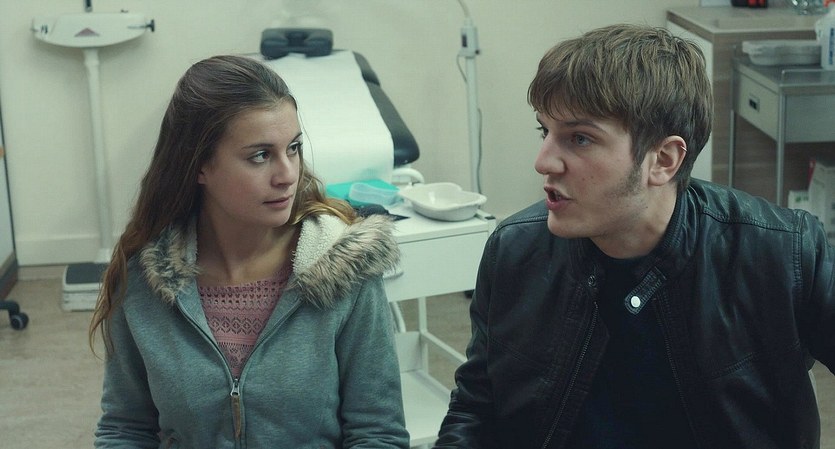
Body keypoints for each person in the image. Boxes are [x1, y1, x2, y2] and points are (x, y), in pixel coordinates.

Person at [434, 23, 835, 449]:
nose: (543, 161)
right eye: (544, 131)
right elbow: (476, 408)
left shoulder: (781, 253)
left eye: (580, 138)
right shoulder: (514, 250)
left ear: (663, 159)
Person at [89, 55, 409, 448]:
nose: (287, 175)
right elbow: (125, 429)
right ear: (199, 165)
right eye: (260, 155)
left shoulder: (345, 269)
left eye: (293, 148)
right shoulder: (143, 280)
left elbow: (378, 432)